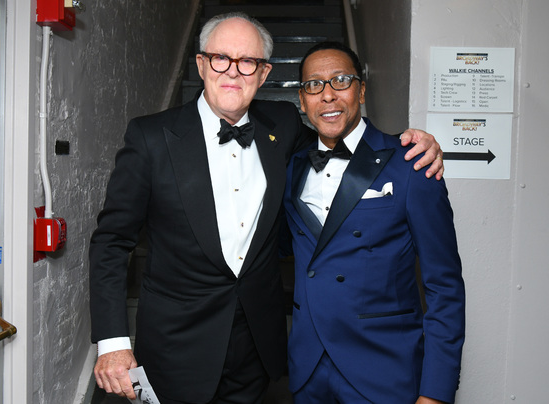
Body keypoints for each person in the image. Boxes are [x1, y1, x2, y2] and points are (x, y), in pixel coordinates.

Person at [90, 13, 444, 404]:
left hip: (254, 353)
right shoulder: (150, 136)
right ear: (201, 64)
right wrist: (113, 342)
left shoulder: (283, 124)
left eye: (248, 62)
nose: (233, 72)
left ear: (264, 74)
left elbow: (342, 137)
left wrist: (407, 144)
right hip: (172, 352)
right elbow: (111, 243)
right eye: (221, 58)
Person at [282, 41, 465, 404]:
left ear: (361, 90)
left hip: (383, 373)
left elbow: (444, 287)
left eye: (341, 81)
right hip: (308, 373)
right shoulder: (291, 166)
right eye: (314, 85)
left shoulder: (412, 164)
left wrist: (436, 393)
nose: (328, 95)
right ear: (302, 101)